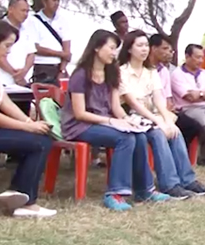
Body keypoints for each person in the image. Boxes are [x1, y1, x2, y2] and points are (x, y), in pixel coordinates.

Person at [60, 30, 171, 211]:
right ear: (97, 48)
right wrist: (111, 122)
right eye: (111, 48)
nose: (114, 53)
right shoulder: (80, 75)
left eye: (115, 49)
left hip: (103, 122)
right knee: (125, 138)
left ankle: (145, 190)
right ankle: (115, 193)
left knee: (139, 135)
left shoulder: (111, 72)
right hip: (80, 126)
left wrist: (127, 120)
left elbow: (116, 107)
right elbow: (80, 113)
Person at [0, 21, 56, 218]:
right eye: (7, 45)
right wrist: (27, 128)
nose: (9, 51)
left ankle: (17, 195)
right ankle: (26, 201)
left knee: (40, 140)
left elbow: (4, 102)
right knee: (39, 143)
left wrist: (30, 123)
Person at [118, 31, 205, 199]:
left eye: (146, 45)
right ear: (129, 49)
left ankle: (187, 179)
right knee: (159, 133)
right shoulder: (122, 72)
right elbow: (133, 103)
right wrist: (158, 121)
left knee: (174, 130)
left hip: (151, 114)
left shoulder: (150, 71)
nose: (144, 49)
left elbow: (158, 98)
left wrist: (167, 120)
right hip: (131, 116)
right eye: (139, 45)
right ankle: (169, 184)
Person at [147, 34, 205, 150]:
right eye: (164, 49)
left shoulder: (164, 71)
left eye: (170, 50)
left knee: (192, 126)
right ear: (153, 49)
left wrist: (168, 108)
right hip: (148, 111)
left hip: (164, 111)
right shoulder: (144, 69)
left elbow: (168, 97)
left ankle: (178, 155)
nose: (168, 53)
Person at [29, 0, 71, 85]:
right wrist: (60, 54)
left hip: (58, 67)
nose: (56, 3)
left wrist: (62, 70)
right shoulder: (33, 21)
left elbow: (67, 51)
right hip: (41, 66)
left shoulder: (63, 20)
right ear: (44, 1)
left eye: (58, 0)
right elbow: (35, 48)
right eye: (53, 0)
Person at [0, 0, 35, 87]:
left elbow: (31, 53)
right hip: (3, 81)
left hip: (24, 82)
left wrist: (24, 71)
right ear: (11, 9)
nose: (25, 14)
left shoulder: (28, 29)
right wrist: (15, 74)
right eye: (23, 10)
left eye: (27, 11)